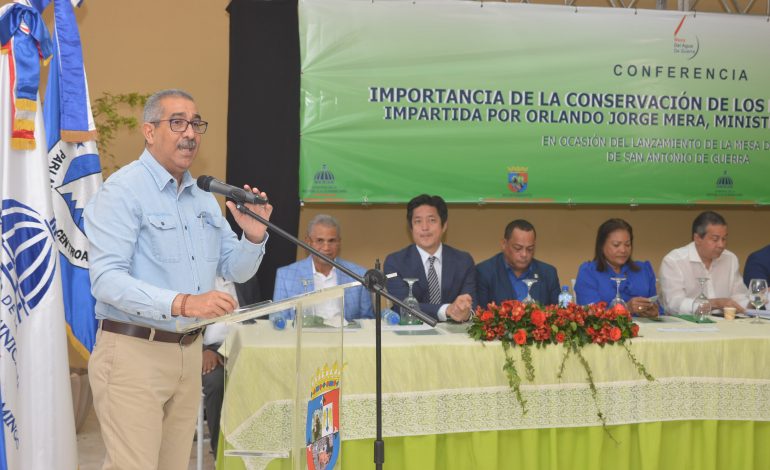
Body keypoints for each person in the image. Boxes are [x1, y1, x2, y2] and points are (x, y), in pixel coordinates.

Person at [84, 89, 272, 470]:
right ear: (149, 131)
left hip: (188, 353)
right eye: (178, 122)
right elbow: (106, 280)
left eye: (196, 123)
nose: (190, 132)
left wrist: (253, 237)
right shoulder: (122, 191)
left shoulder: (203, 197)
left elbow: (235, 268)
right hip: (133, 354)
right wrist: (184, 303)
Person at [383, 194, 475, 322]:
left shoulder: (464, 261)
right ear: (410, 228)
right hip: (411, 334)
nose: (425, 227)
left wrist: (465, 311)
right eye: (418, 221)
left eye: (432, 220)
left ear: (444, 226)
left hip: (455, 334)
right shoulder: (395, 262)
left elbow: (472, 305)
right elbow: (402, 306)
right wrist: (447, 310)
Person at [273, 214, 374, 321]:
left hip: (346, 337)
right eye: (320, 240)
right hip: (305, 337)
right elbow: (278, 319)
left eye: (332, 241)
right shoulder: (286, 275)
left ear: (339, 242)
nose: (326, 248)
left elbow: (367, 320)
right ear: (308, 242)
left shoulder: (359, 274)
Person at [659, 211, 748, 314]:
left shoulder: (730, 259)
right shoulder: (674, 261)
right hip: (687, 325)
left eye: (724, 239)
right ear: (697, 239)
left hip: (726, 324)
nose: (721, 245)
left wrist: (758, 300)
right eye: (715, 239)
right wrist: (715, 304)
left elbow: (739, 297)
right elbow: (674, 304)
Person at [574, 218, 661, 317]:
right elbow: (589, 314)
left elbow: (659, 309)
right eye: (616, 245)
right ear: (601, 245)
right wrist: (625, 309)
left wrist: (654, 312)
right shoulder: (588, 272)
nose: (623, 250)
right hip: (606, 331)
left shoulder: (643, 270)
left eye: (627, 244)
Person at [476, 219, 560, 307]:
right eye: (517, 248)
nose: (524, 254)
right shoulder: (485, 272)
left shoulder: (548, 273)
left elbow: (558, 316)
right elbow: (480, 314)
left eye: (530, 249)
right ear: (504, 244)